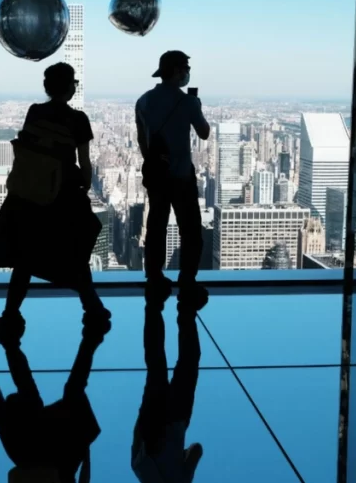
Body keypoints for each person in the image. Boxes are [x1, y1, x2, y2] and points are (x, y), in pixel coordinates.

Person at [0, 62, 111, 337]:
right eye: (74, 83)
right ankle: (92, 308)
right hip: (63, 196)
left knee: (25, 256)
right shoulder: (78, 119)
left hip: (27, 194)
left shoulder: (35, 111)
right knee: (76, 252)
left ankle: (10, 314)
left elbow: (31, 151)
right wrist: (85, 185)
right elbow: (85, 162)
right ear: (69, 87)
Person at [0, 317, 108, 483]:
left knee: (71, 392)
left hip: (54, 456)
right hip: (46, 456)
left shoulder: (18, 443)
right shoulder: (18, 443)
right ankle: (92, 336)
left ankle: (92, 336)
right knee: (67, 393)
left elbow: (0, 405)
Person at [135, 51, 210, 307]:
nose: (188, 73)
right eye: (186, 68)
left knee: (156, 228)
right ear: (178, 71)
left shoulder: (143, 101)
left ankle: (154, 278)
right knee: (191, 231)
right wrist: (196, 105)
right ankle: (187, 281)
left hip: (156, 176)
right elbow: (205, 133)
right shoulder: (187, 102)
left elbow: (142, 140)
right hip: (180, 176)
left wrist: (153, 162)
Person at [131, 287, 204, 483]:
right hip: (152, 422)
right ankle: (154, 304)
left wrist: (182, 453)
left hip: (176, 420)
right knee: (156, 363)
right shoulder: (140, 471)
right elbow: (138, 435)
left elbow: (196, 449)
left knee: (188, 360)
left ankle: (185, 311)